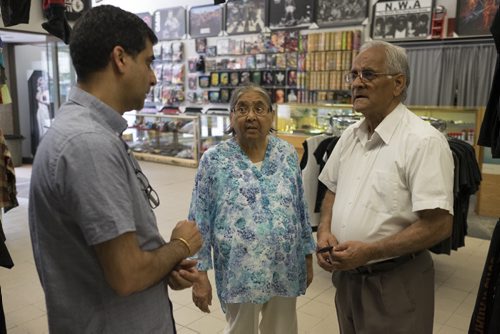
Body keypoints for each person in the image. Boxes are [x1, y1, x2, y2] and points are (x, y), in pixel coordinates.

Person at [28, 5, 202, 333]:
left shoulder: (90, 132)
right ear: (120, 58)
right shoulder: (88, 143)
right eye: (148, 62)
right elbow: (128, 274)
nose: (153, 77)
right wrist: (180, 245)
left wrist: (164, 264)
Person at [316, 40, 454, 334]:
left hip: (396, 280)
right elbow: (332, 192)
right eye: (353, 75)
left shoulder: (423, 141)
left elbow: (439, 224)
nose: (357, 83)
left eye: (368, 74)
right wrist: (325, 232)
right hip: (348, 278)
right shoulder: (350, 136)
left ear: (398, 83)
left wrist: (371, 251)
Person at [186, 84, 316, 333]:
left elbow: (300, 207)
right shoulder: (214, 160)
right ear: (231, 117)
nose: (251, 116)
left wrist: (307, 257)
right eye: (242, 108)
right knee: (240, 329)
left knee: (282, 329)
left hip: (285, 266)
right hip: (240, 269)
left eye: (259, 108)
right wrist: (199, 274)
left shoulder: (287, 153)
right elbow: (198, 218)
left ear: (271, 115)